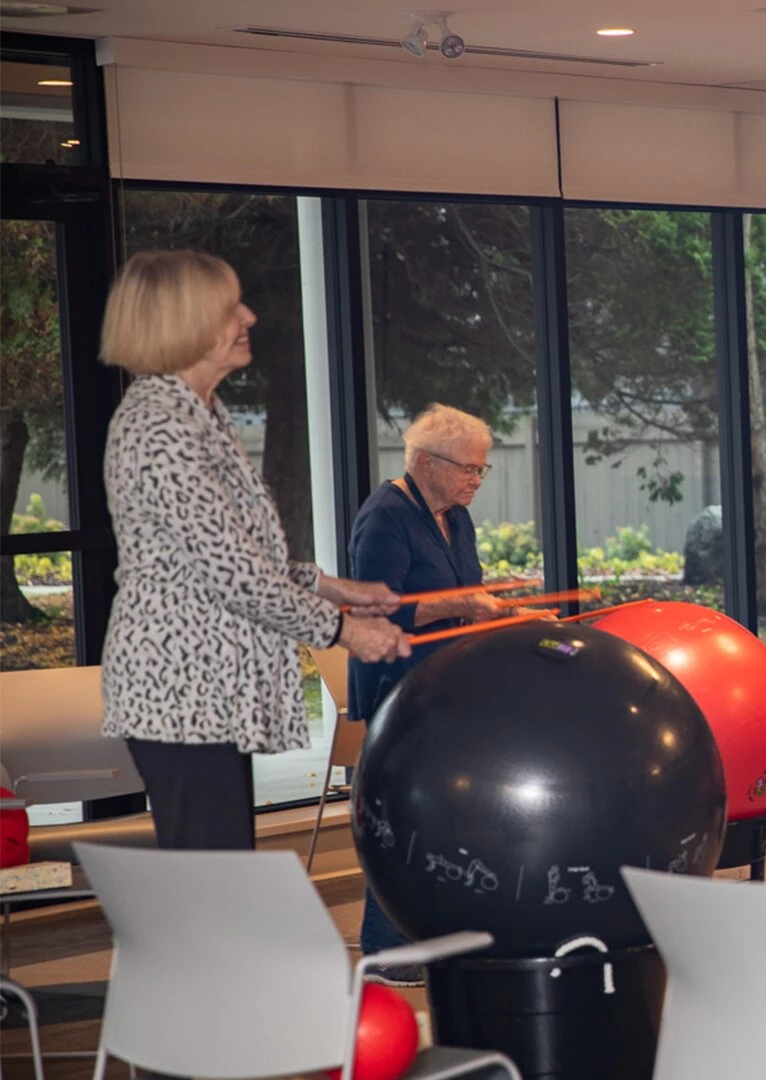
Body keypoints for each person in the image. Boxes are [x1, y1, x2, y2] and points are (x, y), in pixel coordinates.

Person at [98, 250, 410, 852]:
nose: (249, 316)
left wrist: (329, 586)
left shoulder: (200, 415)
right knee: (214, 891)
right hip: (179, 687)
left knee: (220, 883)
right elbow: (234, 576)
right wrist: (346, 631)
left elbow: (223, 554)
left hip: (204, 691)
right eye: (229, 307)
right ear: (181, 324)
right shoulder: (160, 426)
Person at [347, 402, 514, 985]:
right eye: (468, 469)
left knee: (448, 822)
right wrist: (462, 605)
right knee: (401, 825)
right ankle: (388, 952)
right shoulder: (386, 516)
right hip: (400, 692)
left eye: (480, 470)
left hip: (447, 690)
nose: (475, 479)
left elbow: (467, 591)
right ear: (423, 461)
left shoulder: (455, 517)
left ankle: (442, 937)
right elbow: (372, 611)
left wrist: (494, 611)